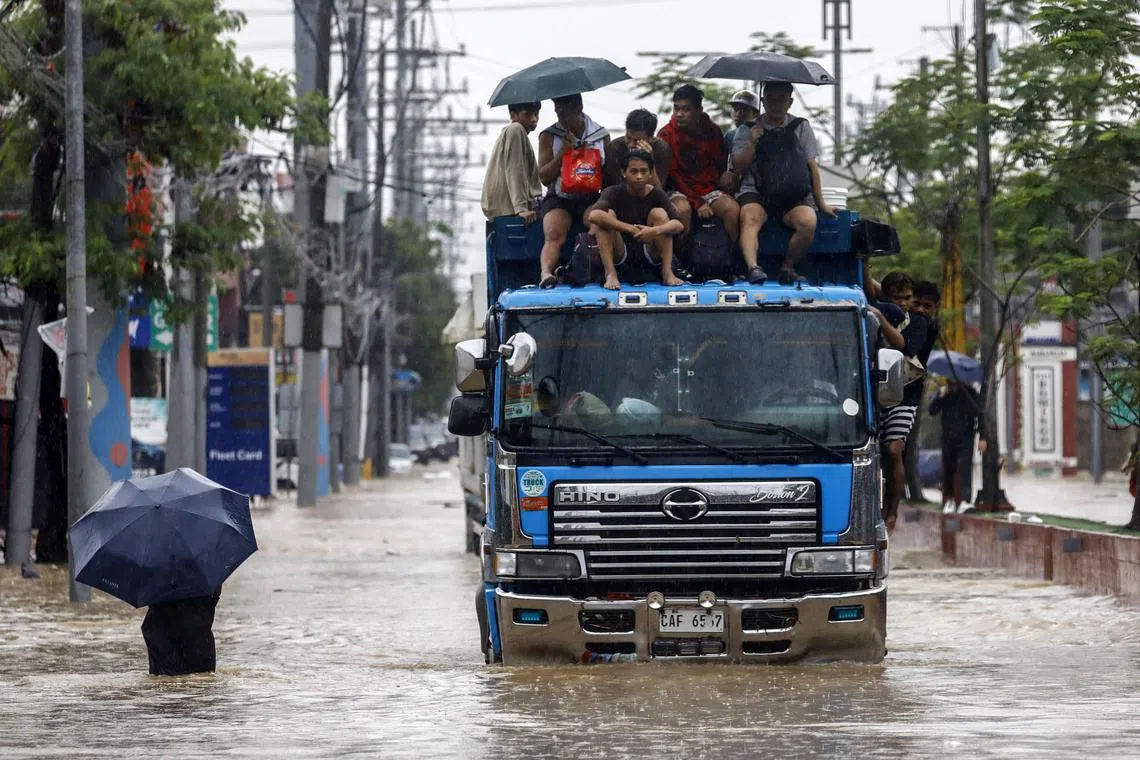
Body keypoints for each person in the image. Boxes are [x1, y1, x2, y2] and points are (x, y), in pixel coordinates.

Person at [729, 82, 836, 284]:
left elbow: (812, 166)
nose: (775, 104)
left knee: (808, 221)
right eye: (770, 99)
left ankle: (788, 266)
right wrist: (752, 142)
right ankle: (753, 267)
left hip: (792, 192)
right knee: (750, 218)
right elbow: (739, 167)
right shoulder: (747, 129)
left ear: (790, 102)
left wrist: (821, 204)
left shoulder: (801, 126)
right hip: (757, 192)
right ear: (763, 101)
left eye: (781, 99)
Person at [537, 94, 610, 287]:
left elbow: (609, 174)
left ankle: (589, 268)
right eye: (558, 111)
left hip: (590, 197)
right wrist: (563, 154)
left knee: (597, 223)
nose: (561, 117)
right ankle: (546, 273)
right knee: (554, 232)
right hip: (560, 197)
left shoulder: (600, 135)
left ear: (579, 108)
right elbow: (544, 177)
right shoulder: (549, 136)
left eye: (566, 112)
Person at [587, 149, 684, 290]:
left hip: (650, 250)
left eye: (644, 171)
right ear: (624, 173)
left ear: (650, 173)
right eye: (634, 171)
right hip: (620, 252)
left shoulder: (657, 194)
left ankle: (667, 271)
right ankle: (611, 273)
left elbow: (678, 225)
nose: (639, 176)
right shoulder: (612, 192)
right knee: (606, 217)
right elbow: (593, 216)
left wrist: (654, 231)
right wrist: (630, 229)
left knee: (659, 214)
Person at [657, 84, 740, 241]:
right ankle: (681, 261)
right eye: (676, 109)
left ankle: (734, 259)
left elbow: (720, 165)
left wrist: (724, 186)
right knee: (682, 211)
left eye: (686, 109)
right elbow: (674, 176)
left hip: (709, 188)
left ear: (698, 110)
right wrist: (697, 202)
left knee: (732, 210)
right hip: (677, 189)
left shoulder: (713, 130)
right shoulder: (666, 135)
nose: (679, 114)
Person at [481, 102, 543, 222]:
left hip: (508, 209)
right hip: (511, 211)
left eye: (536, 114)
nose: (534, 119)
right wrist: (521, 209)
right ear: (513, 115)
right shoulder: (516, 129)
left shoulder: (517, 133)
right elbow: (514, 169)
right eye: (528, 114)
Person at [929, 381, 985, 512]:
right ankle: (949, 500)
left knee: (965, 468)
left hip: (966, 438)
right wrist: (940, 396)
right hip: (948, 438)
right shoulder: (945, 393)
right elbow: (932, 410)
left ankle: (965, 501)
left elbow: (980, 415)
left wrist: (983, 437)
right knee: (948, 469)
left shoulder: (971, 394)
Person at [141, 589, 222, 676]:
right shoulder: (201, 582)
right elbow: (215, 591)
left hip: (163, 626)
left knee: (166, 677)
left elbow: (147, 595)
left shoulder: (158, 582)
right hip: (196, 623)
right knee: (201, 676)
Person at [604, 108, 672, 189]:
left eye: (638, 141)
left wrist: (650, 160)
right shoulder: (615, 147)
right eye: (628, 138)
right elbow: (615, 185)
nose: (631, 144)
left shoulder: (662, 149)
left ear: (650, 138)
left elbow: (657, 190)